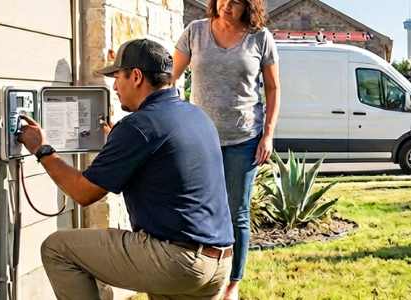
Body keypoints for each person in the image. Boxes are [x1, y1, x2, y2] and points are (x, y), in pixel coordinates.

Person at [19, 39, 234, 299]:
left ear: (136, 76)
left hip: (177, 261)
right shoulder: (195, 116)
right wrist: (119, 145)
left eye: (116, 76)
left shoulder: (139, 126)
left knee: (57, 248)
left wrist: (42, 150)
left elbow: (83, 193)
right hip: (219, 262)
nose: (115, 86)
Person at [171, 0, 281, 298]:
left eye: (235, 1)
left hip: (243, 140)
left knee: (236, 213)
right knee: (196, 209)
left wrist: (267, 135)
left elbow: (272, 88)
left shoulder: (260, 37)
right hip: (199, 139)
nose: (226, 6)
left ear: (248, 5)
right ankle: (199, 274)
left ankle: (232, 283)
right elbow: (170, 77)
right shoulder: (195, 32)